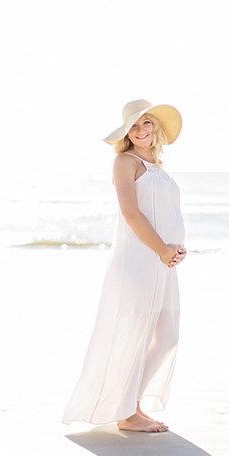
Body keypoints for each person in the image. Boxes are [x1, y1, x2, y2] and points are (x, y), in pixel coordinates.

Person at [63, 99, 187, 433]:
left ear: (155, 127)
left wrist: (175, 248)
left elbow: (165, 213)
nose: (142, 130)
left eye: (146, 123)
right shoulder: (125, 162)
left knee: (168, 336)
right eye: (134, 126)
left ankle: (129, 405)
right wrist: (163, 248)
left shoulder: (158, 166)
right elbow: (131, 214)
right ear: (126, 133)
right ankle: (126, 413)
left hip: (163, 260)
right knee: (136, 333)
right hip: (140, 260)